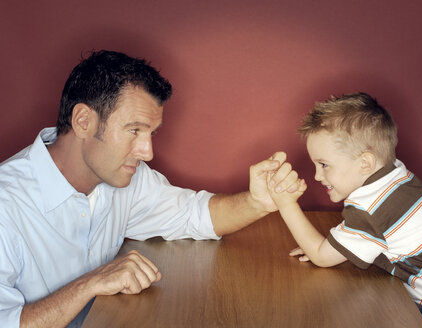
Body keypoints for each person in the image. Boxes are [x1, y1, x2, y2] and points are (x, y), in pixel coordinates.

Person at [0, 50, 300, 327]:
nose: (147, 151)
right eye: (134, 130)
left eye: (151, 133)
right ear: (83, 121)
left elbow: (194, 215)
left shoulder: (126, 178)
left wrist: (258, 202)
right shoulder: (6, 205)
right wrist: (89, 283)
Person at [266, 92, 422, 328]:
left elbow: (321, 257)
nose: (316, 175)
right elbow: (384, 240)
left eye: (324, 165)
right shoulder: (398, 175)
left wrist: (285, 203)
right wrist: (334, 246)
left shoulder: (369, 210)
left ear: (365, 163)